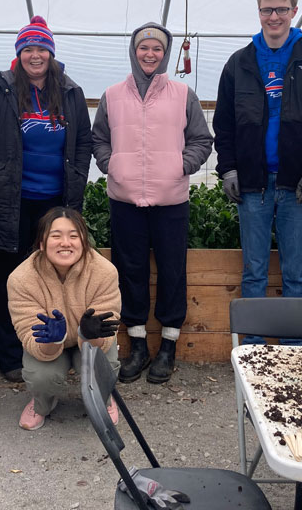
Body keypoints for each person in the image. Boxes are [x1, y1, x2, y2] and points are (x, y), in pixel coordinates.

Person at [0, 16, 92, 382]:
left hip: (55, 205)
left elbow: (83, 142)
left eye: (42, 49)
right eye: (28, 49)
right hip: (10, 204)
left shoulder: (69, 91)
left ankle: (51, 352)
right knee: (11, 279)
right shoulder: (1, 87)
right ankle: (12, 358)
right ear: (19, 54)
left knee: (55, 277)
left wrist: (77, 180)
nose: (35, 56)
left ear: (51, 54)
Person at [212, 0, 302, 342]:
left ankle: (291, 347)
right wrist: (230, 169)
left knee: (294, 273)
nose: (274, 16)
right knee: (253, 270)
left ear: (293, 12)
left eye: (281, 9)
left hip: (294, 182)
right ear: (259, 13)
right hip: (252, 183)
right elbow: (223, 123)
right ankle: (253, 348)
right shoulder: (239, 63)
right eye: (267, 10)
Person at [91, 23, 212, 384]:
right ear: (134, 50)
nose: (150, 54)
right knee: (130, 269)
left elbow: (202, 139)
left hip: (170, 198)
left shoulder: (181, 93)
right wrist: (112, 164)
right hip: (125, 198)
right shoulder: (113, 95)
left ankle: (169, 346)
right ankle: (139, 345)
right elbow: (98, 138)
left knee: (173, 270)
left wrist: (181, 165)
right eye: (144, 48)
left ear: (166, 54)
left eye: (157, 49)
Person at [7, 207, 121, 430]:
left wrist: (90, 335)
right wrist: (52, 339)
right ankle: (41, 404)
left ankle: (104, 399)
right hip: (49, 347)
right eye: (56, 236)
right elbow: (30, 337)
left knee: (102, 367)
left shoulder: (104, 272)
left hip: (88, 343)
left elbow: (107, 334)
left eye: (74, 236)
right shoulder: (20, 279)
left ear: (84, 242)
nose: (65, 243)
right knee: (41, 376)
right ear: (41, 243)